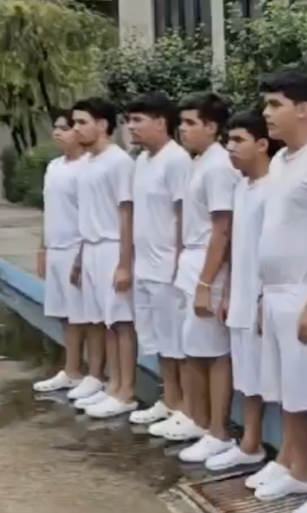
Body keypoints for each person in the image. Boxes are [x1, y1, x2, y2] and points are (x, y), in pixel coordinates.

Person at [250, 71, 307, 504]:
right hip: (277, 291)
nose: (266, 114)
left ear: (303, 109)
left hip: (306, 291)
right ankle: (296, 465)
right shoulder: (282, 160)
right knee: (287, 388)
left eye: (274, 105)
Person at [162, 92, 240, 464]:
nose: (184, 129)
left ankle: (219, 430)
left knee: (214, 352)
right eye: (183, 122)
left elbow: (221, 229)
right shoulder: (199, 163)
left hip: (208, 265)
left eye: (191, 123)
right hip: (192, 261)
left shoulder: (219, 165)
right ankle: (197, 419)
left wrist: (207, 283)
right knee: (193, 350)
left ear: (212, 126)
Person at [205, 110, 281, 471]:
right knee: (246, 373)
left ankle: (268, 449)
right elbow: (238, 245)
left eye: (239, 141)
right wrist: (227, 292)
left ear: (263, 144)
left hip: (264, 295)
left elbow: (277, 248)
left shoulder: (275, 189)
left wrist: (265, 294)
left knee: (267, 376)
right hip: (240, 292)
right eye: (229, 140)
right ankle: (249, 442)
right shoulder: (240, 187)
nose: (230, 148)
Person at [125, 92, 193, 427]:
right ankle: (169, 400)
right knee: (159, 339)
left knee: (177, 340)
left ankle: (184, 407)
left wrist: (179, 262)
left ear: (161, 123)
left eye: (138, 120)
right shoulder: (142, 161)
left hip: (168, 266)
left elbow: (183, 214)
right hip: (146, 266)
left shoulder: (177, 160)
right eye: (129, 120)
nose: (131, 127)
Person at [69, 97, 139, 419]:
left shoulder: (118, 161)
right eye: (74, 123)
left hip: (113, 246)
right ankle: (112, 385)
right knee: (105, 322)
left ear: (102, 124)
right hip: (93, 248)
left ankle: (126, 391)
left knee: (122, 322)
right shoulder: (87, 164)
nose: (76, 128)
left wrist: (125, 263)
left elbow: (127, 214)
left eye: (82, 122)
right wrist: (81, 258)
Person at [33, 110, 92, 394]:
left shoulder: (87, 168)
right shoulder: (54, 166)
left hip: (76, 249)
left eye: (65, 128)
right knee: (62, 314)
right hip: (55, 248)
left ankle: (85, 372)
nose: (58, 132)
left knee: (81, 315)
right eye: (55, 127)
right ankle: (71, 369)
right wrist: (42, 248)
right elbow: (49, 209)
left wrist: (81, 256)